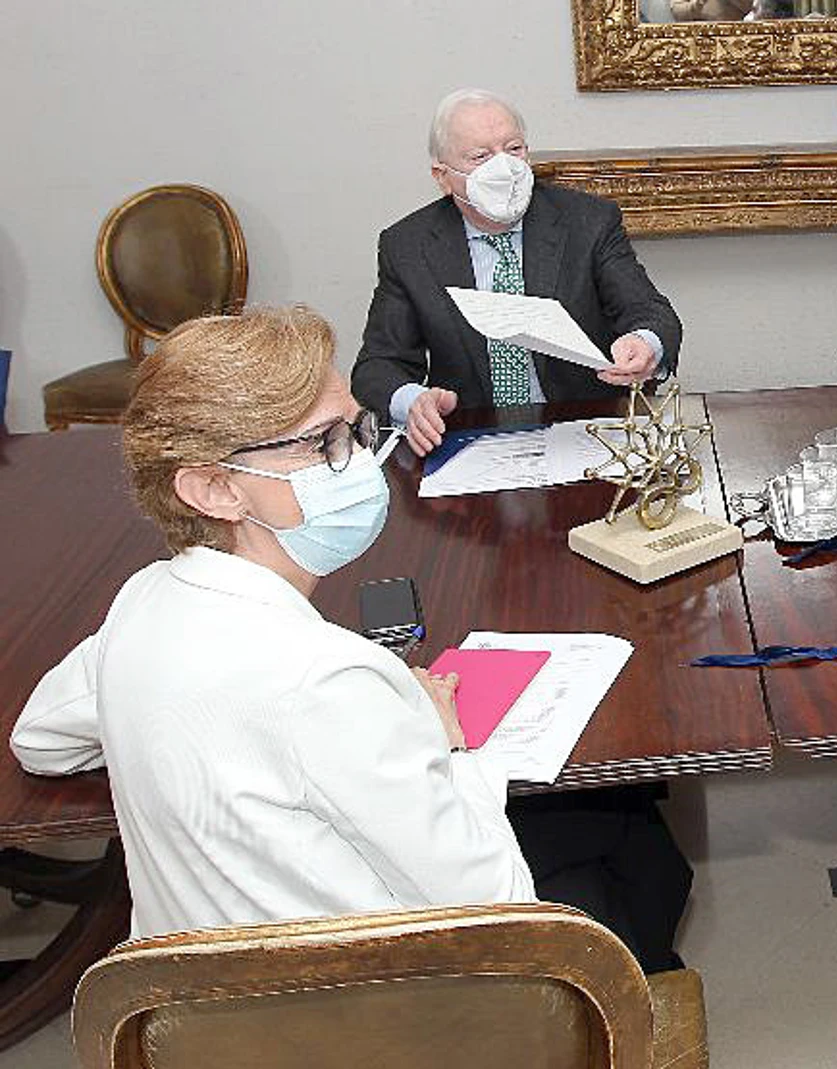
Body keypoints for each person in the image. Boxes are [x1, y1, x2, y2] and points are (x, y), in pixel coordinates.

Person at [13, 307, 690, 972]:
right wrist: (443, 741)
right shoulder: (326, 676)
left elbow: (40, 738)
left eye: (357, 431)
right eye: (322, 443)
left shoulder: (144, 602)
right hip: (363, 1010)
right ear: (212, 489)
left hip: (194, 1008)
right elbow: (495, 901)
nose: (361, 461)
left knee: (625, 839)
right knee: (619, 868)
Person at [352, 89, 682, 458]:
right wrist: (413, 401)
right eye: (480, 156)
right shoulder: (408, 245)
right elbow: (378, 365)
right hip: (472, 441)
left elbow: (652, 313)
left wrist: (645, 344)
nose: (503, 168)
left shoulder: (588, 221)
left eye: (514, 149)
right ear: (442, 177)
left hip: (584, 432)